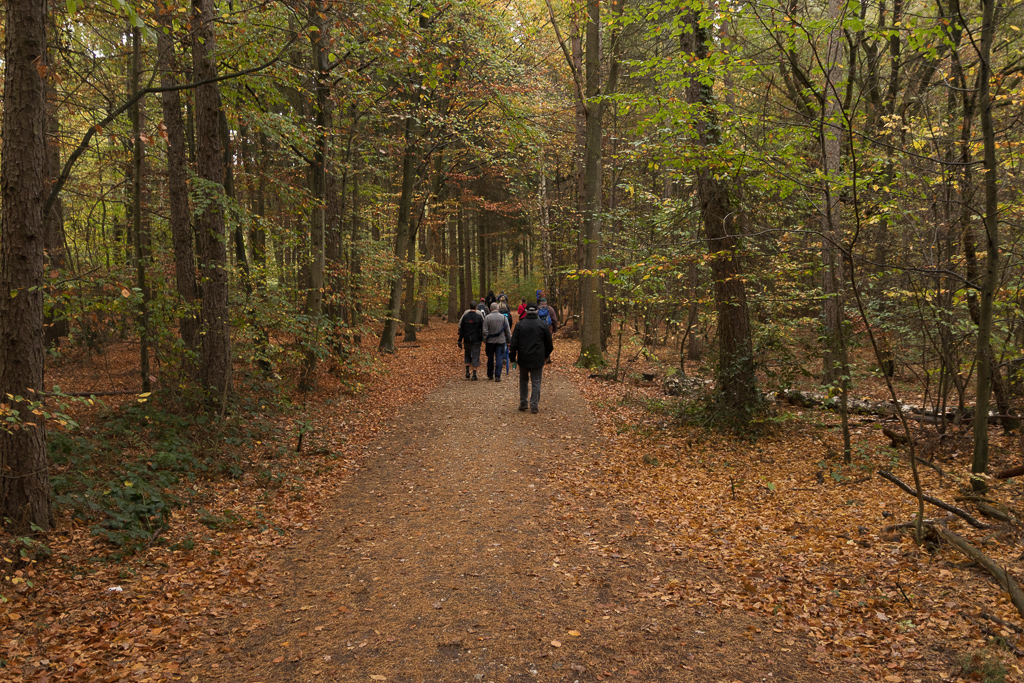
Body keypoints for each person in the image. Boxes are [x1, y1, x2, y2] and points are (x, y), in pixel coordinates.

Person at [510, 302, 553, 413]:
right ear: (537, 311)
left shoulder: (520, 325)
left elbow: (514, 343)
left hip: (523, 357)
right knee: (536, 381)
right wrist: (545, 356)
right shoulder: (542, 325)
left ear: (526, 311)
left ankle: (523, 403)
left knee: (523, 380)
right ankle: (534, 405)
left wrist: (512, 357)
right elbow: (549, 344)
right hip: (537, 358)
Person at [483, 302, 512, 382]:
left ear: (490, 308)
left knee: (490, 358)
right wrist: (509, 341)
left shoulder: (487, 318)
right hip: (500, 341)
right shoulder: (503, 318)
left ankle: (490, 374)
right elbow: (507, 331)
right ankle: (497, 375)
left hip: (490, 341)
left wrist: (485, 340)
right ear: (498, 308)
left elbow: (485, 331)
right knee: (499, 358)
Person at [458, 300, 484, 380]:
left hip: (466, 338)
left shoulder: (465, 317)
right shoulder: (479, 317)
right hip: (476, 339)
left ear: (469, 307)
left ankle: (467, 371)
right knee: (475, 355)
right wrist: (483, 338)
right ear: (476, 307)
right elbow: (482, 328)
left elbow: (461, 329)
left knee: (467, 354)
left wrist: (459, 340)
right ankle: (474, 375)